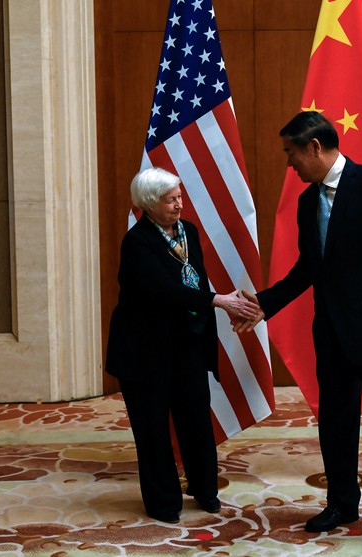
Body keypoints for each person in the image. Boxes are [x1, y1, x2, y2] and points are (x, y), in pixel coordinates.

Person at [236, 111, 362, 557]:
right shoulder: (308, 201)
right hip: (331, 333)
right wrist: (264, 304)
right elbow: (308, 268)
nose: (289, 164)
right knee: (335, 425)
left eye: (291, 153)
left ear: (314, 147)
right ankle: (342, 503)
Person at [105, 167, 258, 524]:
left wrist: (216, 306)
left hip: (187, 344)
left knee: (196, 421)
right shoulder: (138, 243)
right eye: (170, 200)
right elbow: (163, 291)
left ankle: (205, 490)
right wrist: (218, 301)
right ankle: (163, 502)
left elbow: (195, 279)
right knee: (153, 429)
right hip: (144, 351)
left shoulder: (188, 231)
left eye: (180, 196)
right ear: (148, 204)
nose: (179, 204)